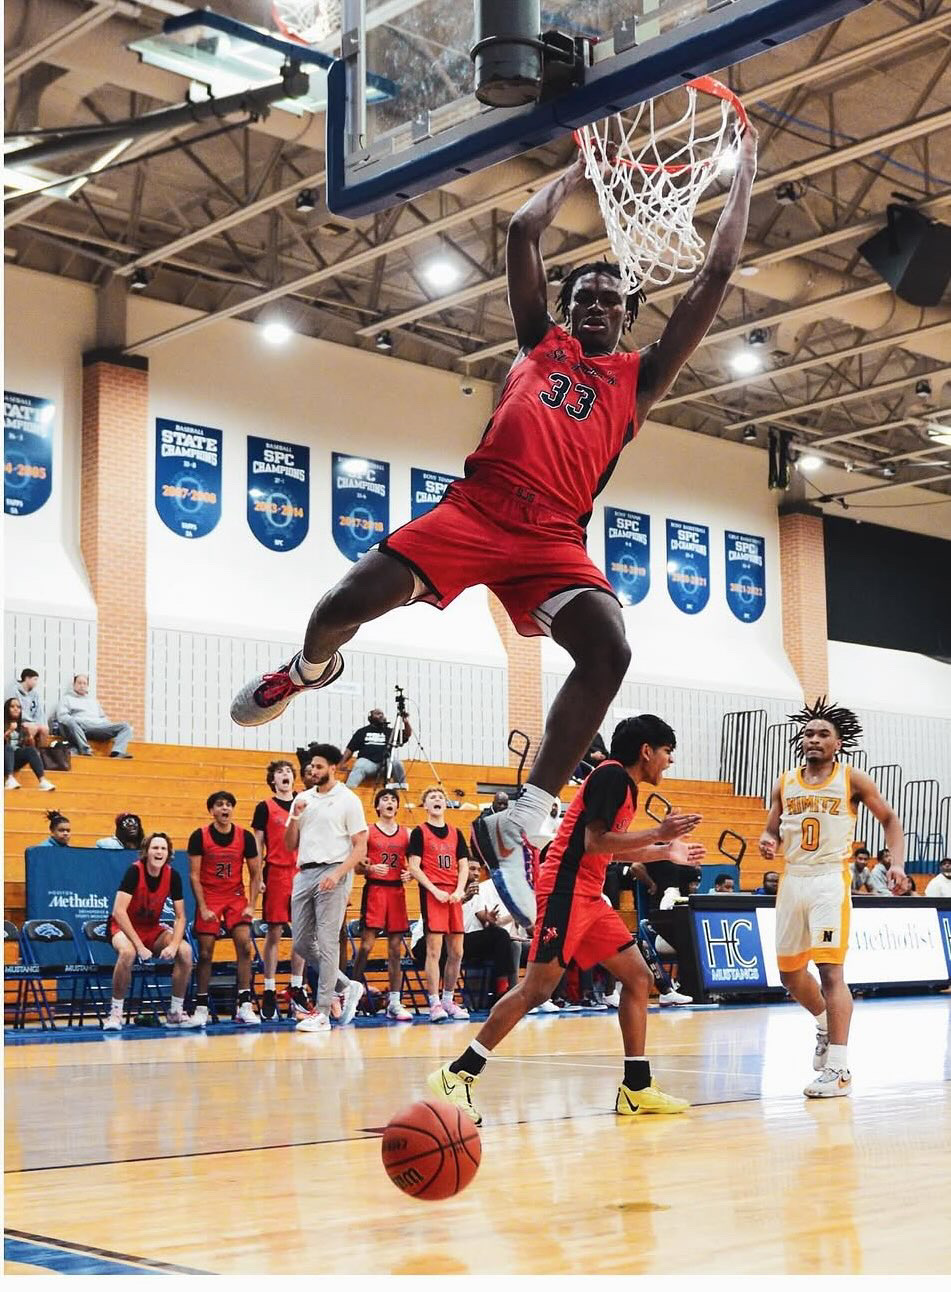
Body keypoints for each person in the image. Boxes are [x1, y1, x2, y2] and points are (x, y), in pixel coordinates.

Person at [230, 125, 758, 933]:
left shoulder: (640, 379)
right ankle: (306, 671)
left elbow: (716, 272)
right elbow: (520, 230)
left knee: (609, 649)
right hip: (474, 510)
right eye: (583, 298)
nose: (594, 308)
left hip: (551, 537)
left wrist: (744, 172)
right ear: (565, 309)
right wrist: (577, 168)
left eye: (609, 303)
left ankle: (529, 812)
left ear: (626, 317)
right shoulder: (536, 342)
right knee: (342, 603)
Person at [428, 715, 703, 1125]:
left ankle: (637, 1087)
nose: (669, 761)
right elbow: (596, 841)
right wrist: (656, 834)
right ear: (647, 751)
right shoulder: (613, 779)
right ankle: (458, 1073)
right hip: (565, 892)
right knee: (536, 990)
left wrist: (663, 851)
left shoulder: (622, 785)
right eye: (667, 753)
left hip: (589, 896)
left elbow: (607, 850)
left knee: (639, 978)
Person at [759, 698, 905, 1099]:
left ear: (838, 743)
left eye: (823, 734)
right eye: (809, 733)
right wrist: (767, 840)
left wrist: (896, 864)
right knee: (790, 976)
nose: (814, 739)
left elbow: (890, 820)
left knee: (831, 973)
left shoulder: (852, 779)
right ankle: (823, 1023)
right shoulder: (785, 781)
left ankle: (839, 1069)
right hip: (792, 880)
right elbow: (771, 828)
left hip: (828, 881)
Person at [285, 744, 368, 1033]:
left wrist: (339, 873)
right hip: (304, 872)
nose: (312, 770)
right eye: (311, 766)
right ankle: (347, 985)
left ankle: (322, 1012)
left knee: (328, 941)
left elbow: (360, 848)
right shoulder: (302, 798)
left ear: (333, 767)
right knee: (302, 943)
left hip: (334, 870)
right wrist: (294, 816)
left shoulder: (348, 799)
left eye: (318, 766)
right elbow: (288, 844)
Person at [103, 832, 193, 1030]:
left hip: (151, 928)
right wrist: (139, 945)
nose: (159, 852)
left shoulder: (173, 875)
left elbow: (180, 917)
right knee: (128, 953)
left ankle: (176, 1012)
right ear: (146, 851)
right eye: (155, 848)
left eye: (163, 848)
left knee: (185, 951)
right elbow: (118, 911)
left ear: (168, 853)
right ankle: (116, 1013)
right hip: (123, 926)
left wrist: (175, 945)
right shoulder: (134, 872)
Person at [186, 791, 262, 1027]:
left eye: (228, 804)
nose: (224, 808)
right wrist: (203, 907)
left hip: (235, 896)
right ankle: (200, 1006)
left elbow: (256, 872)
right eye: (219, 805)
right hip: (210, 896)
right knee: (206, 953)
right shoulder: (199, 836)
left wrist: (251, 905)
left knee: (245, 947)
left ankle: (244, 1004)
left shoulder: (245, 837)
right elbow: (194, 875)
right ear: (212, 811)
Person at [251, 759, 311, 1021]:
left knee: (302, 932)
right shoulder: (264, 807)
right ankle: (269, 989)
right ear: (273, 780)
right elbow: (257, 846)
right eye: (279, 772)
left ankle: (296, 986)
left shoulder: (304, 802)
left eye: (288, 771)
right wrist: (256, 876)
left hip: (301, 872)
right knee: (274, 932)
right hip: (275, 872)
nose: (285, 775)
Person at [349, 787, 414, 1021]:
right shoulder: (368, 832)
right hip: (375, 890)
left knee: (395, 950)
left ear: (397, 806)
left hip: (396, 891)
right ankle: (352, 996)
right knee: (366, 946)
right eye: (385, 799)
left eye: (393, 800)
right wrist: (369, 868)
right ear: (377, 806)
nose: (389, 802)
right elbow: (356, 866)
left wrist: (410, 874)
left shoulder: (406, 834)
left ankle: (394, 1003)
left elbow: (414, 865)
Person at [408, 786, 471, 1021]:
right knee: (434, 951)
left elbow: (464, 865)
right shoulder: (419, 832)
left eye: (440, 797)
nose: (437, 800)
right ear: (425, 805)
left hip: (453, 895)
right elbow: (414, 867)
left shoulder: (456, 833)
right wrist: (434, 890)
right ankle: (434, 1003)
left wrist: (459, 890)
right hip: (433, 893)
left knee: (457, 951)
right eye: (432, 797)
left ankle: (448, 1000)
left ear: (446, 804)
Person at [56, 674, 133, 758]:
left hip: (98, 727)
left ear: (87, 686)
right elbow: (62, 716)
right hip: (81, 727)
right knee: (70, 721)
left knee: (126, 726)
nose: (82, 686)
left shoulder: (93, 701)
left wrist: (106, 725)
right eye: (79, 683)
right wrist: (77, 721)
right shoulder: (67, 699)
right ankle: (85, 750)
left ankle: (117, 752)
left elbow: (103, 717)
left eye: (84, 683)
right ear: (74, 685)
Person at [340, 706, 412, 790]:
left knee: (397, 763)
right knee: (359, 765)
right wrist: (342, 763)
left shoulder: (390, 732)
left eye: (382, 714)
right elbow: (350, 749)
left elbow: (407, 734)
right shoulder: (362, 731)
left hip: (385, 764)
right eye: (377, 714)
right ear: (370, 718)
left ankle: (401, 789)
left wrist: (406, 722)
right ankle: (348, 791)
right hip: (368, 762)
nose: (381, 715)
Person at [4, 698, 56, 791]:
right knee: (8, 748)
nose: (16, 709)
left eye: (18, 707)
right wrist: (9, 731)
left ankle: (42, 781)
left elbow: (27, 748)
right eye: (12, 706)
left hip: (14, 760)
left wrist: (30, 739)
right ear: (6, 709)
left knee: (31, 750)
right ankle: (9, 779)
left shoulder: (22, 728)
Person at [5, 669, 51, 744]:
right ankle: (26, 750)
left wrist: (39, 723)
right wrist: (30, 722)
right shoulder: (14, 691)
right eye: (35, 679)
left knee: (45, 728)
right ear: (27, 678)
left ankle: (42, 752)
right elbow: (11, 709)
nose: (36, 683)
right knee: (32, 728)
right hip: (19, 721)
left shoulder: (35, 694)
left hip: (32, 722)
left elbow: (39, 711)